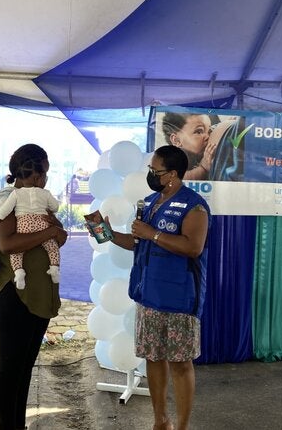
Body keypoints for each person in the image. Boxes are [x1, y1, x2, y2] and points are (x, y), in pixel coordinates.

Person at [97, 144, 211, 430]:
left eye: (154, 170)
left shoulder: (194, 205)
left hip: (179, 298)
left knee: (181, 365)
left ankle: (182, 426)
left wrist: (153, 233)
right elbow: (138, 242)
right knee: (153, 357)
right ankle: (161, 420)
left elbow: (193, 247)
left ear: (172, 174)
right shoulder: (148, 203)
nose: (150, 174)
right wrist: (106, 233)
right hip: (148, 295)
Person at [0, 144, 68, 430]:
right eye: (45, 170)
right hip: (15, 295)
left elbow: (61, 236)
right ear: (35, 170)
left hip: (40, 294)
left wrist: (54, 231)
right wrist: (48, 231)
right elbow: (7, 244)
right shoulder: (9, 199)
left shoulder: (41, 200)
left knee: (25, 367)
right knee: (10, 371)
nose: (46, 178)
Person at [0, 165, 61, 289]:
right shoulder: (45, 193)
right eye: (45, 177)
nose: (45, 181)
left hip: (24, 224)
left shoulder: (16, 193)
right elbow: (55, 207)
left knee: (17, 253)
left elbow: (5, 209)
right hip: (42, 223)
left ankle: (19, 273)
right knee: (52, 247)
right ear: (37, 178)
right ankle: (55, 268)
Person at [160, 112, 239, 180]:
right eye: (199, 131)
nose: (208, 136)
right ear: (176, 140)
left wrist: (227, 123)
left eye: (209, 130)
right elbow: (176, 178)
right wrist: (202, 169)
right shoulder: (176, 157)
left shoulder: (200, 150)